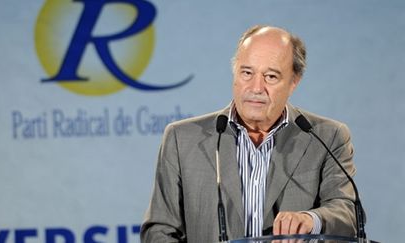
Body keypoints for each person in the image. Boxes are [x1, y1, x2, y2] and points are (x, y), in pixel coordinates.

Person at [141, 25, 357, 243]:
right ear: (235, 72)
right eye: (247, 73)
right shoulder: (182, 138)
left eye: (271, 76)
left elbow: (348, 214)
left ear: (293, 82)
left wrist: (312, 220)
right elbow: (159, 231)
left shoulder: (327, 137)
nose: (256, 87)